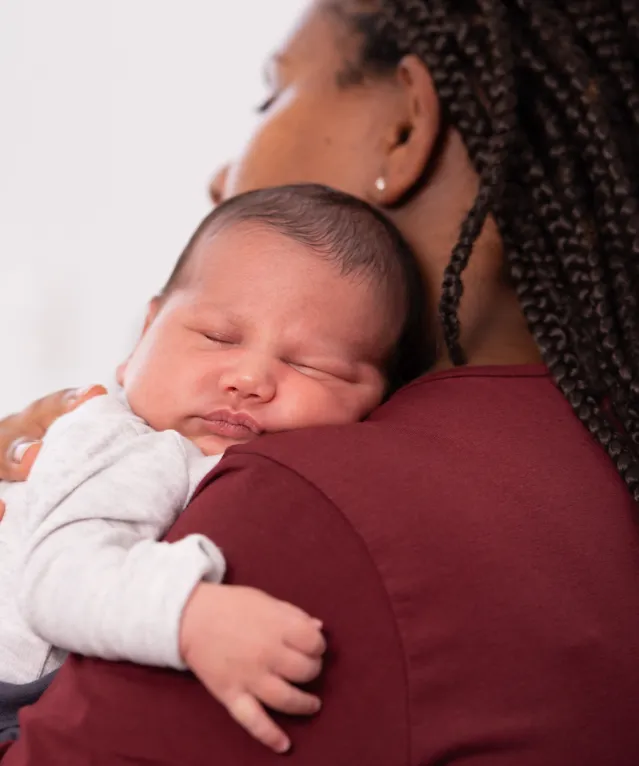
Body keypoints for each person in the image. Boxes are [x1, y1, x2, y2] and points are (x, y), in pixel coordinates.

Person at [1, 0, 639, 763]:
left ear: (404, 127)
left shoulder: (296, 497)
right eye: (216, 335)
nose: (217, 175)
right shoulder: (595, 450)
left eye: (274, 93)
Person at [0, 183, 426, 751]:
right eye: (216, 337)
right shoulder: (122, 441)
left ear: (381, 399)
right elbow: (58, 583)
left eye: (311, 365)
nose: (249, 379)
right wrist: (191, 615)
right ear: (143, 337)